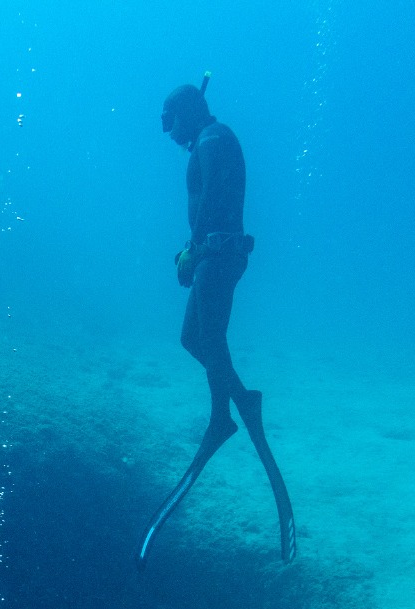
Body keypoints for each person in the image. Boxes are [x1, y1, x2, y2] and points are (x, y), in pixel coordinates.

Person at [137, 74, 296, 568]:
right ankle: (238, 401)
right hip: (215, 254)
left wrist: (192, 249)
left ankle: (221, 417)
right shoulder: (209, 139)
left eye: (171, 122)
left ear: (187, 111)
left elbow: (212, 202)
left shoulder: (212, 138)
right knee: (193, 337)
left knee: (210, 335)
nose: (170, 134)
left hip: (218, 255)